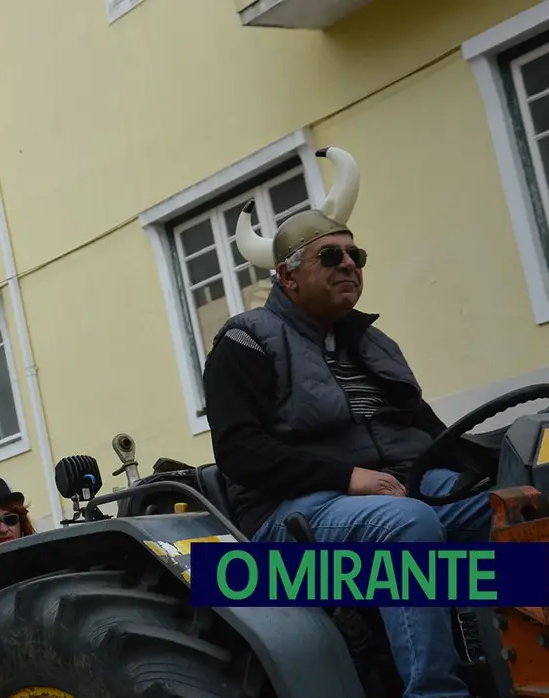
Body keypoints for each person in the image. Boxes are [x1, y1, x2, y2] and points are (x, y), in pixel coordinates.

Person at [204, 146, 491, 698]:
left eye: (356, 255)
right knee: (408, 526)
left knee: (513, 503)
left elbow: (435, 437)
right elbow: (241, 454)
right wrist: (348, 477)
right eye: (330, 257)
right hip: (289, 520)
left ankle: (510, 667)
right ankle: (435, 693)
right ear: (287, 277)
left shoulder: (373, 343)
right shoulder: (244, 343)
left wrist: (502, 468)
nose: (349, 265)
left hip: (400, 489)